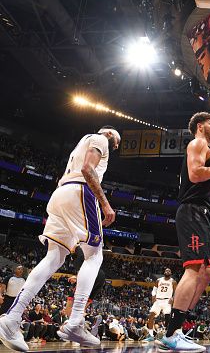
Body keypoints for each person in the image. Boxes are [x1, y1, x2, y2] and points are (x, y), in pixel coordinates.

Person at [0, 126, 120, 351]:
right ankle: (75, 322)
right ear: (111, 136)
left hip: (60, 195)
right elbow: (87, 169)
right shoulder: (101, 139)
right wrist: (105, 203)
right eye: (116, 144)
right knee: (94, 256)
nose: (114, 148)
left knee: (54, 258)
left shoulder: (81, 143)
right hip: (81, 192)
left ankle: (11, 319)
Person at [158, 112, 210, 352]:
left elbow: (206, 185)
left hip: (206, 212)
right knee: (194, 268)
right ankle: (170, 334)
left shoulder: (207, 150)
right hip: (194, 212)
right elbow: (194, 174)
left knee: (208, 272)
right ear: (200, 127)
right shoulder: (198, 143)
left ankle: (178, 328)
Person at [143, 268, 177, 342]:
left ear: (171, 273)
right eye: (166, 270)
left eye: (169, 271)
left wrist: (173, 298)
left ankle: (166, 335)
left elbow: (176, 292)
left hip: (167, 301)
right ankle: (151, 335)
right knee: (151, 316)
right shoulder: (159, 280)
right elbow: (154, 289)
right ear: (164, 272)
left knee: (167, 318)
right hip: (158, 300)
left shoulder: (173, 282)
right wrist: (153, 296)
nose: (167, 271)